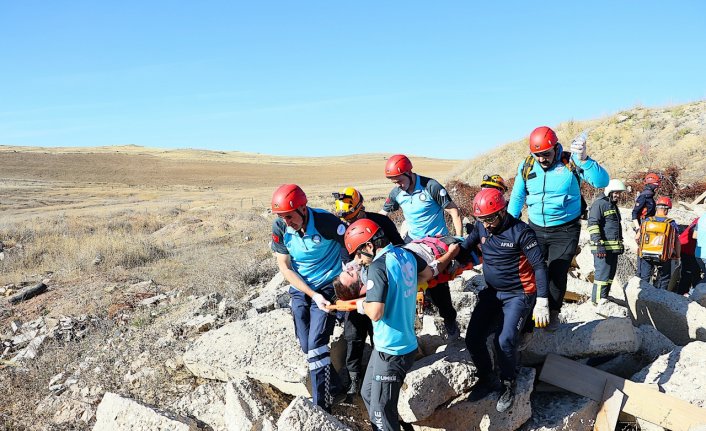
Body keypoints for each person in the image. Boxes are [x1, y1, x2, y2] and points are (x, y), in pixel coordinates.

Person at [456, 188, 549, 413]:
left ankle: (509, 383)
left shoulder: (521, 232)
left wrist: (543, 300)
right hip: (493, 291)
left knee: (504, 340)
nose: (486, 225)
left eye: (490, 219)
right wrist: (445, 259)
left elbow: (539, 266)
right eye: (482, 220)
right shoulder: (481, 226)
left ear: (502, 211)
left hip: (519, 294)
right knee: (472, 338)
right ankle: (487, 378)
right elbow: (466, 247)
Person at [508, 126, 609, 329]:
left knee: (557, 270)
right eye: (537, 155)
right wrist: (509, 224)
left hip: (565, 229)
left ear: (556, 147)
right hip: (535, 227)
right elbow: (518, 196)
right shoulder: (527, 165)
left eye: (546, 154)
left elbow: (602, 181)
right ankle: (529, 315)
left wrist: (585, 159)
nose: (542, 159)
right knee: (533, 270)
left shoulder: (571, 162)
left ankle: (553, 313)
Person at [342, 218, 433, 431]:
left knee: (381, 411)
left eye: (357, 253)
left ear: (369, 246)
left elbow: (375, 312)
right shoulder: (404, 253)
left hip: (392, 350)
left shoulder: (377, 267)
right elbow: (427, 274)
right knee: (368, 393)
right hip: (392, 345)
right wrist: (400, 289)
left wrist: (360, 304)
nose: (357, 260)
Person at [270, 184, 346, 411]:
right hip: (303, 287)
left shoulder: (326, 222)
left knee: (316, 345)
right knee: (305, 343)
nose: (286, 222)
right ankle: (336, 388)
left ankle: (322, 408)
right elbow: (284, 267)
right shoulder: (280, 228)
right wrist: (311, 294)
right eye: (282, 217)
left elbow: (349, 248)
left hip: (328, 285)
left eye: (290, 216)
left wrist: (345, 281)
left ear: (303, 208)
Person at [332, 186, 404, 400]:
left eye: (351, 217)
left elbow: (398, 245)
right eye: (346, 218)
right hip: (357, 287)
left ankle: (382, 373)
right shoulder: (345, 231)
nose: (348, 222)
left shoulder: (380, 222)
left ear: (360, 208)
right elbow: (348, 260)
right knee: (353, 334)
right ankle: (355, 378)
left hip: (383, 283)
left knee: (379, 330)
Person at [380, 154, 462, 337]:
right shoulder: (397, 193)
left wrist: (458, 241)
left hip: (437, 243)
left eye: (399, 180)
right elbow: (383, 215)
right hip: (414, 243)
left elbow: (454, 212)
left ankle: (449, 319)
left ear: (409, 172)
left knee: (438, 286)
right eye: (394, 182)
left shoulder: (430, 186)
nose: (398, 185)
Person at [587, 179, 627, 304]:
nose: (618, 195)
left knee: (609, 277)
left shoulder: (612, 205)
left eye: (620, 193)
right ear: (609, 191)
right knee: (602, 277)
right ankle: (597, 303)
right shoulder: (599, 204)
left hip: (612, 249)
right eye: (616, 193)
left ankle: (604, 298)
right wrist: (599, 244)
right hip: (602, 248)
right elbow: (593, 224)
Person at [636, 197, 681, 289]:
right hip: (664, 255)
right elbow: (677, 241)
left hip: (646, 253)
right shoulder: (671, 223)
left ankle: (643, 294)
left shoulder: (647, 221)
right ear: (667, 210)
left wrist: (642, 248)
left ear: (657, 208)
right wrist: (677, 256)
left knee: (644, 277)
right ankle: (660, 296)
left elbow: (637, 238)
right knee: (664, 278)